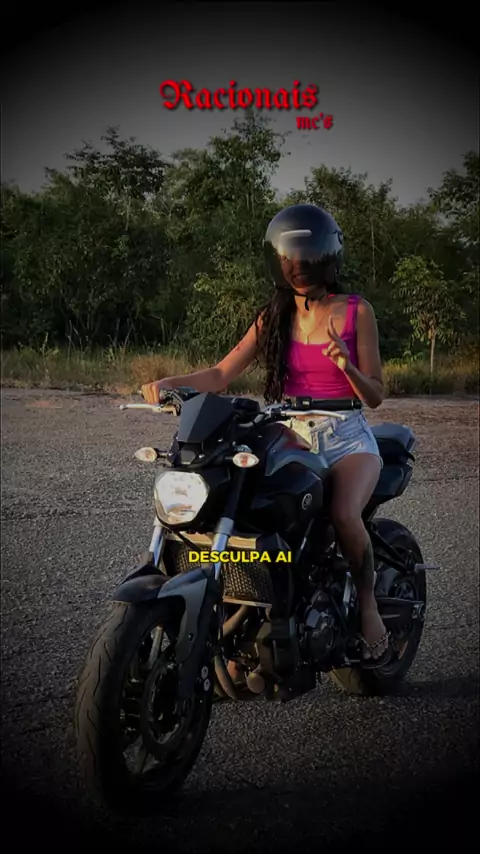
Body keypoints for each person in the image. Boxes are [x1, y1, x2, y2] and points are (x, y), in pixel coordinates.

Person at [141, 203, 391, 670]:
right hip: (290, 433)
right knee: (249, 508)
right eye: (290, 257)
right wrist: (170, 383)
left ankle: (369, 606)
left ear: (326, 258)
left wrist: (346, 366)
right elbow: (221, 373)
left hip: (347, 437)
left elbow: (375, 395)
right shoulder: (274, 315)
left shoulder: (357, 311)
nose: (298, 266)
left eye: (307, 257)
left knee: (342, 513)